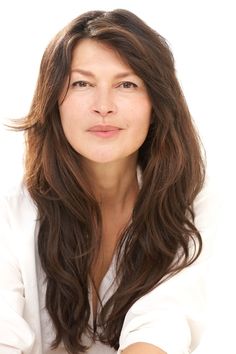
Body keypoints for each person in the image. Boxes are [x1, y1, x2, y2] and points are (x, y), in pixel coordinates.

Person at [0, 8, 220, 354]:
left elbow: (164, 323)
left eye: (127, 84)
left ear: (156, 104)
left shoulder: (201, 204)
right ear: (54, 100)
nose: (104, 106)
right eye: (82, 83)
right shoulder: (10, 214)